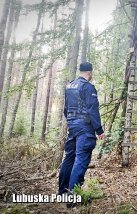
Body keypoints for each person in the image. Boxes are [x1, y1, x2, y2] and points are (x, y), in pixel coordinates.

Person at [58, 62, 105, 196]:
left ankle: (62, 193)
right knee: (81, 159)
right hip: (84, 128)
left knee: (69, 158)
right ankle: (72, 197)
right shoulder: (88, 87)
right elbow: (92, 110)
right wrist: (99, 130)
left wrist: (72, 122)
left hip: (72, 126)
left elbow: (66, 109)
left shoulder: (70, 85)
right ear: (89, 73)